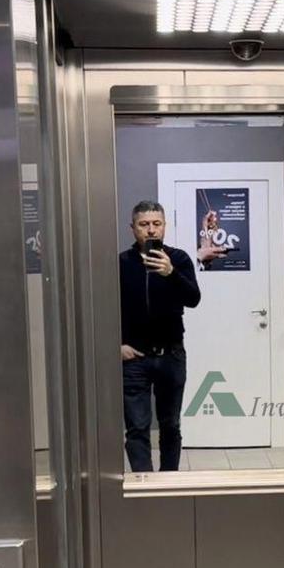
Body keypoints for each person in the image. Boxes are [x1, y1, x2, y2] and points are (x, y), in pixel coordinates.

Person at [119, 200, 200, 472]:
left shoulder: (179, 259)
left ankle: (168, 484)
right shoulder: (122, 262)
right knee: (137, 428)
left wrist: (171, 273)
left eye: (156, 224)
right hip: (134, 359)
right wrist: (117, 345)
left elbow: (193, 299)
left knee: (170, 425)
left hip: (171, 356)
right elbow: (106, 306)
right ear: (133, 228)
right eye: (144, 224)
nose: (151, 230)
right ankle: (144, 485)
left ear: (164, 226)